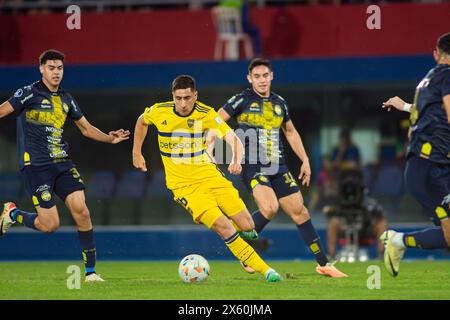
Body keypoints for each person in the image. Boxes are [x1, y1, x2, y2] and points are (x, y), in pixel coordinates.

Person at [132, 75, 282, 282]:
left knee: (248, 225)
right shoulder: (159, 111)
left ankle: (241, 242)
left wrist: (236, 160)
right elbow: (141, 122)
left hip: (211, 177)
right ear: (173, 96)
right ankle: (267, 271)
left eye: (187, 98)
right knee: (225, 227)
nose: (183, 104)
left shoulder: (207, 114)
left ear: (195, 96)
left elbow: (233, 139)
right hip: (185, 188)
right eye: (178, 98)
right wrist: (136, 152)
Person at [209, 58, 348, 278]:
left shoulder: (280, 103)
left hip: (278, 166)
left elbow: (290, 132)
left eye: (265, 75)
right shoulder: (241, 100)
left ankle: (324, 264)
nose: (262, 80)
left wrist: (305, 160)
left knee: (300, 212)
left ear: (271, 76)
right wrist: (228, 154)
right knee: (270, 208)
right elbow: (215, 122)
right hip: (252, 164)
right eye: (257, 76)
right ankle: (246, 250)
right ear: (250, 79)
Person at [0, 49, 130, 282]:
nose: (56, 72)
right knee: (50, 225)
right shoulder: (28, 93)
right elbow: (2, 110)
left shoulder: (67, 99)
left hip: (62, 163)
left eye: (59, 68)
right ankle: (13, 214)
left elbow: (87, 129)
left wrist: (110, 138)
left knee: (82, 210)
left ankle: (90, 273)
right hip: (35, 167)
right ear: (41, 69)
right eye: (51, 68)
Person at [381, 32, 450, 277]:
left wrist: (405, 106)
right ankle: (398, 241)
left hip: (426, 166)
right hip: (430, 168)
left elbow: (422, 120)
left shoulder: (428, 80)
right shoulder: (448, 77)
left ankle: (398, 242)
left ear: (435, 54)